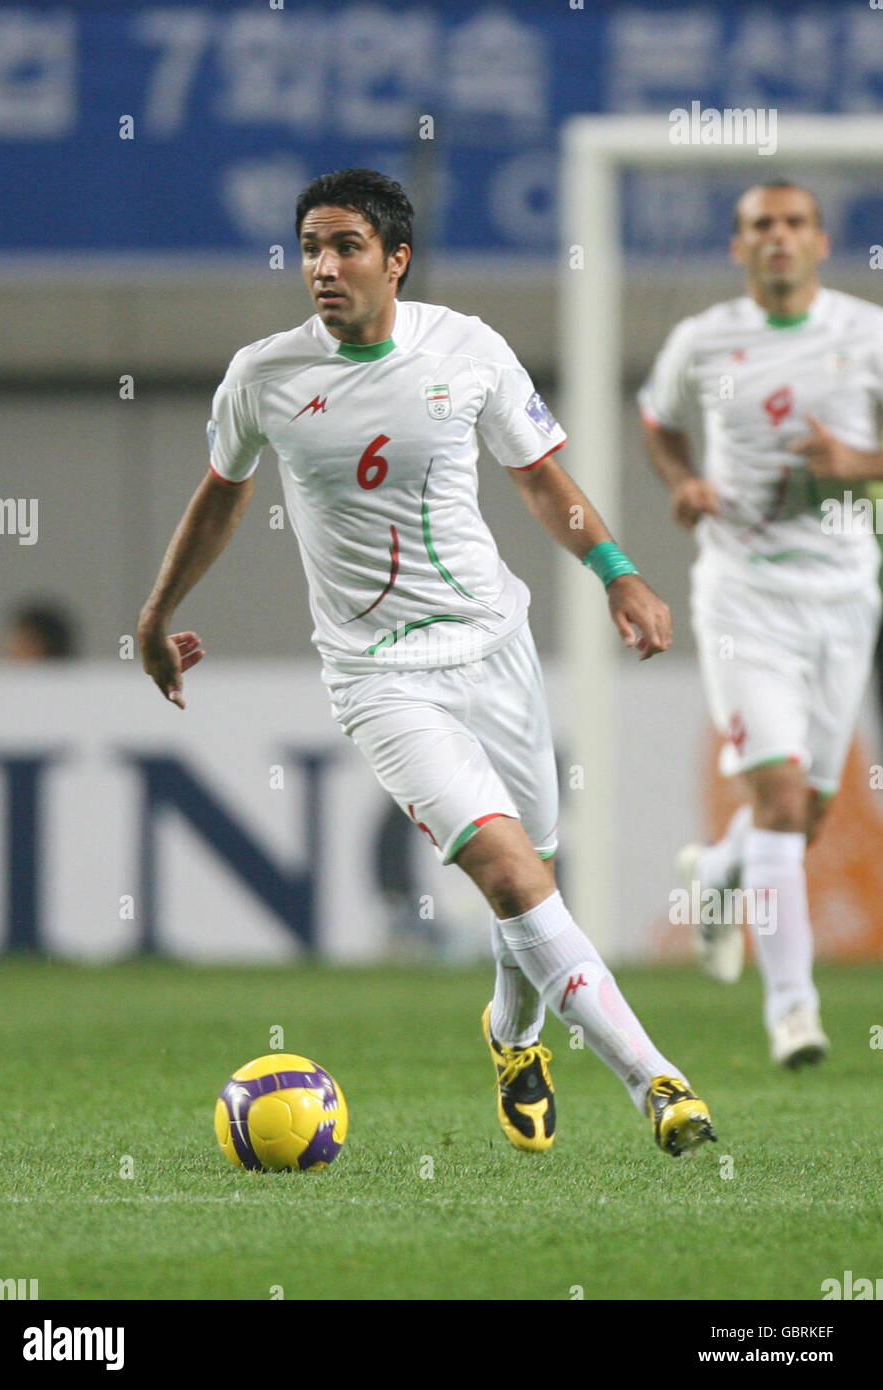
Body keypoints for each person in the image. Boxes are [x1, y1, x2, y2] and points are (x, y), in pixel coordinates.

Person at [138, 167, 715, 1157]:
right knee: (507, 868)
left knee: (532, 862)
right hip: (378, 677)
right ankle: (655, 1080)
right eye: (310, 247)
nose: (322, 267)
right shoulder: (265, 376)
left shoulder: (469, 350)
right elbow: (222, 494)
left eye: (345, 247)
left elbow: (540, 481)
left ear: (395, 259)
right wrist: (156, 614)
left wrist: (619, 572)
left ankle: (513, 1035)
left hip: (493, 646)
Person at [641, 181, 883, 1068]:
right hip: (744, 595)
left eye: (792, 224)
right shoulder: (702, 342)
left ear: (821, 241)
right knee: (780, 800)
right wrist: (684, 481)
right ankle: (793, 1011)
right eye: (758, 227)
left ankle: (717, 872)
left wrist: (859, 462)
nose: (776, 238)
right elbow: (657, 420)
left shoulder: (867, 334)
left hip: (846, 590)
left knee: (808, 814)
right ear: (738, 248)